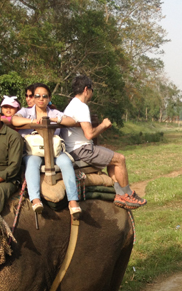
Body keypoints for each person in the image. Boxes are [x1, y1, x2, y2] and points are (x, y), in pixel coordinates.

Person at [61, 75, 146, 210]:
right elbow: (89, 134)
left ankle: (119, 193)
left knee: (112, 158)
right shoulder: (81, 106)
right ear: (86, 89)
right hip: (81, 150)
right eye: (92, 89)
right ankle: (127, 194)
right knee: (120, 159)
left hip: (74, 148)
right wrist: (103, 125)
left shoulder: (71, 105)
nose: (92, 93)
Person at [11, 83, 82, 218]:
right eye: (37, 96)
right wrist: (32, 121)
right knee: (31, 162)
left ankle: (73, 201)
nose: (41, 99)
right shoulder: (26, 111)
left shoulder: (54, 112)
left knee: (66, 162)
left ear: (49, 98)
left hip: (54, 150)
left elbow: (72, 120)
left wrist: (55, 119)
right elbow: (14, 119)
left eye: (44, 96)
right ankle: (35, 199)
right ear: (34, 98)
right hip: (34, 151)